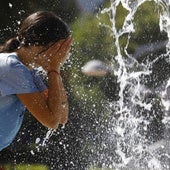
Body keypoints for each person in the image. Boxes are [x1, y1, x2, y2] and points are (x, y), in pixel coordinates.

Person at [0, 11, 72, 151]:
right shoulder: (13, 68)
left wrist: (54, 70)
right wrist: (54, 68)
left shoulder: (28, 72)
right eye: (59, 49)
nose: (62, 56)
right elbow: (51, 120)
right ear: (39, 43)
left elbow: (61, 116)